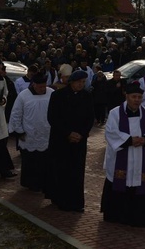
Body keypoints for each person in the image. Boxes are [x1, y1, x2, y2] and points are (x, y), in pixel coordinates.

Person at [101, 82, 145, 227]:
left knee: (139, 183)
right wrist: (129, 140)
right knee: (119, 182)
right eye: (134, 97)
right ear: (126, 96)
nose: (137, 100)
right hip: (120, 157)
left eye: (139, 97)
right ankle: (116, 215)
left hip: (139, 156)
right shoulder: (115, 113)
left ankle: (140, 217)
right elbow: (110, 132)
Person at [46, 69, 95, 212]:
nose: (81, 85)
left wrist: (82, 134)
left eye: (83, 82)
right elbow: (52, 118)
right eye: (79, 82)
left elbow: (90, 118)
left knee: (77, 172)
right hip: (61, 141)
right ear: (72, 82)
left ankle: (76, 202)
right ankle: (60, 199)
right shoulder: (58, 96)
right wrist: (67, 133)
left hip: (79, 141)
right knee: (61, 170)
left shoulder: (87, 96)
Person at [8, 71, 53, 192]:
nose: (42, 89)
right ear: (33, 85)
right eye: (40, 87)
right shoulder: (24, 96)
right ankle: (30, 183)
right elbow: (16, 114)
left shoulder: (51, 93)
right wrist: (19, 131)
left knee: (45, 161)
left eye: (44, 86)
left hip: (46, 134)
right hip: (29, 134)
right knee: (31, 162)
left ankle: (44, 183)